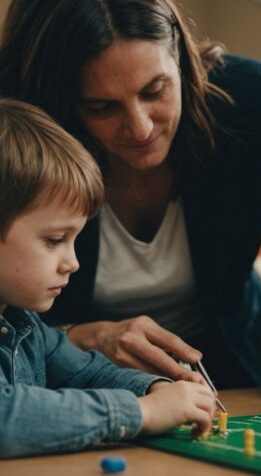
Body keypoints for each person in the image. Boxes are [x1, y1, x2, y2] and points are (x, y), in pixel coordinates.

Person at [0, 0, 261, 392]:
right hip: (62, 395)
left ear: (180, 58)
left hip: (234, 381)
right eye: (103, 107)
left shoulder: (257, 103)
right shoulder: (13, 134)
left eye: (155, 90)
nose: (141, 128)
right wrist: (78, 339)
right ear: (55, 103)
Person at [0, 99, 217, 458]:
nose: (72, 262)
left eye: (74, 240)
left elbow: (86, 373)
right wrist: (142, 413)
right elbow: (7, 417)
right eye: (54, 240)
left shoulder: (24, 324)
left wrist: (158, 389)